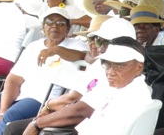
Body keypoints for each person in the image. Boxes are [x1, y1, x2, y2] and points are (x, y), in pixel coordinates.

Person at [3, 17, 136, 135]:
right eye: (95, 39)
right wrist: (49, 107)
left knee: (13, 129)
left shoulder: (116, 73)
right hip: (80, 118)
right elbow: (73, 98)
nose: (97, 46)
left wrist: (39, 121)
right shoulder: (103, 64)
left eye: (103, 42)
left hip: (87, 124)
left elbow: (80, 108)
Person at [0, 6, 87, 135]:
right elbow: (13, 80)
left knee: (12, 116)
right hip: (21, 96)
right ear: (43, 27)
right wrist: (2, 110)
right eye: (49, 22)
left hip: (44, 100)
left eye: (60, 23)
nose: (54, 26)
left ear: (68, 29)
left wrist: (56, 50)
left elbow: (83, 56)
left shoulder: (76, 45)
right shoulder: (34, 46)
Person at [21, 36, 152, 135]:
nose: (110, 72)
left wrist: (38, 124)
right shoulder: (123, 88)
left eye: (119, 66)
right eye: (107, 64)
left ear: (138, 67)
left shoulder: (130, 97)